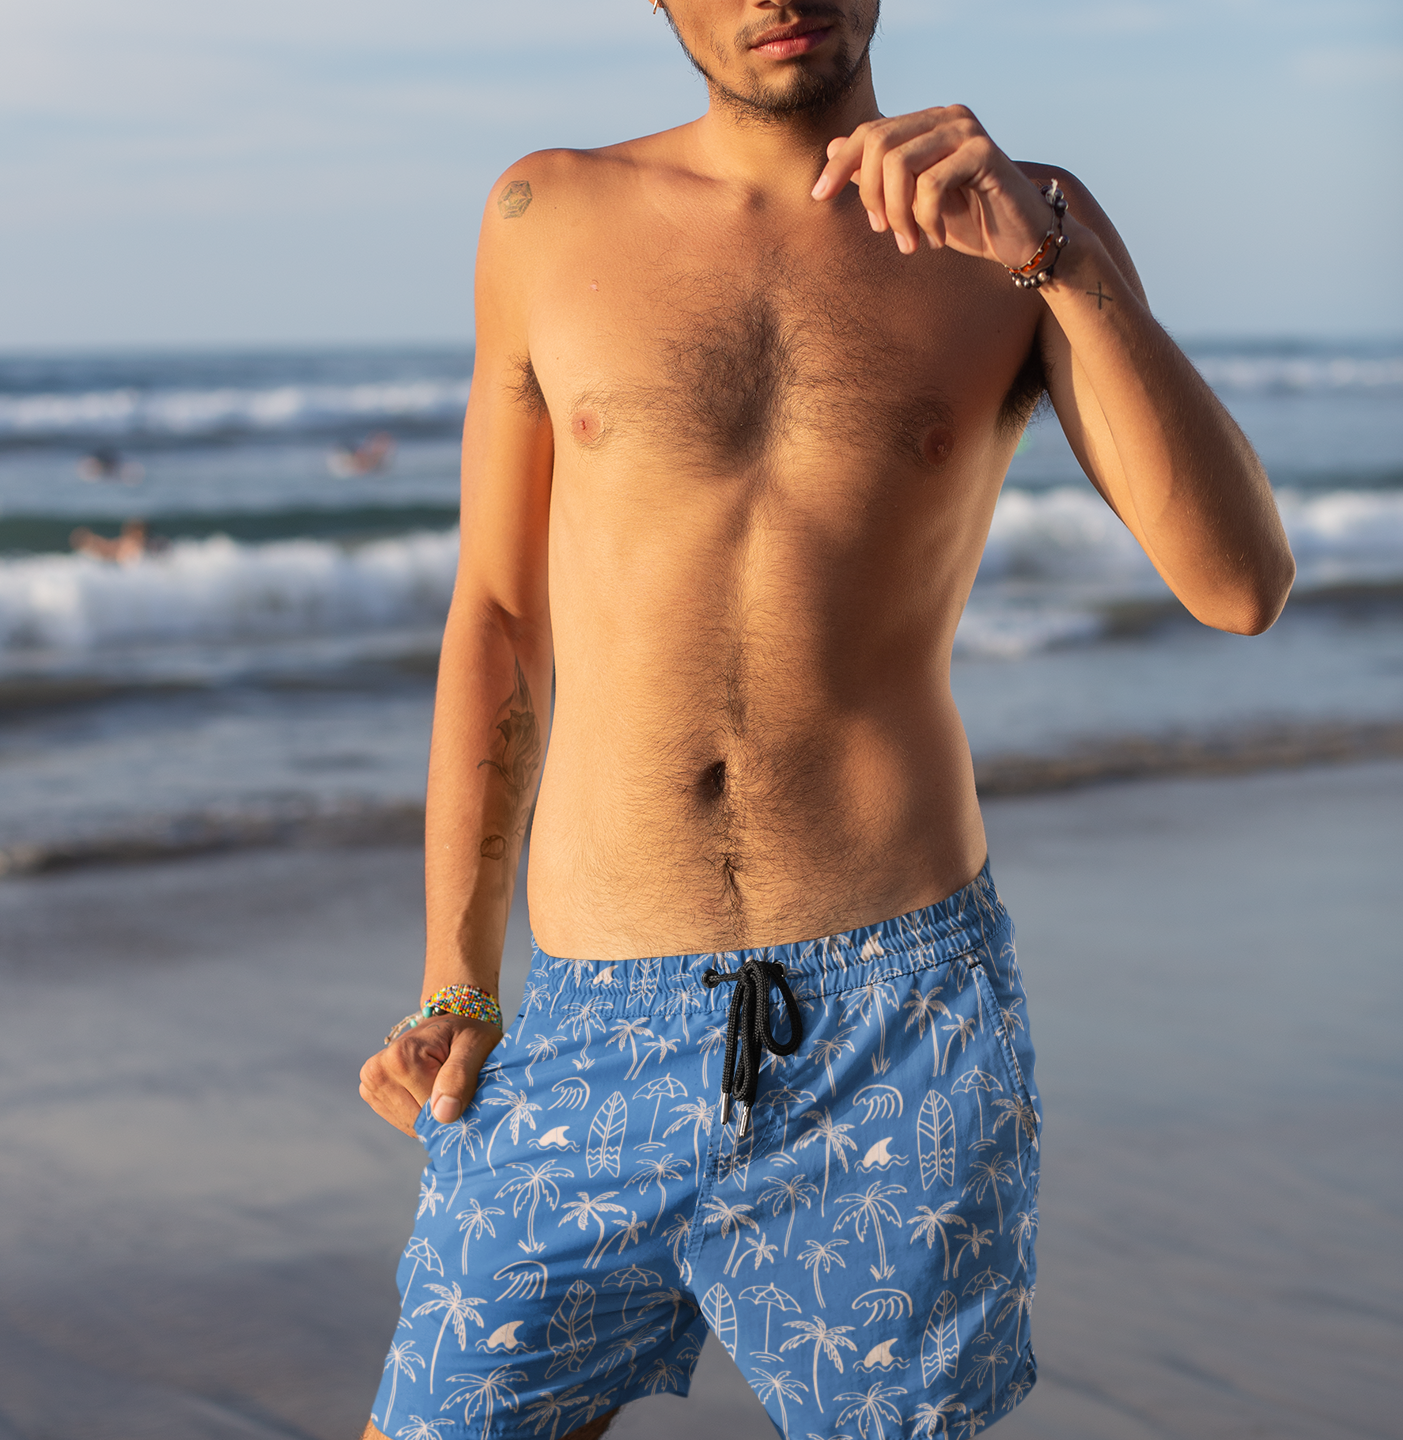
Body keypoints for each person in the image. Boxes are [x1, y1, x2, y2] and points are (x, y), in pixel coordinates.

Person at [357, 4, 1294, 1437]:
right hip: (593, 1030)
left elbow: (1238, 584)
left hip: (894, 1026)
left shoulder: (1020, 225)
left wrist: (1059, 259)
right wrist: (456, 982)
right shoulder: (546, 215)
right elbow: (496, 615)